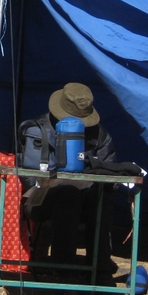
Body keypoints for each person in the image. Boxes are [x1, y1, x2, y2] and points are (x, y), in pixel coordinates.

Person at [21, 82, 118, 284]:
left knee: (101, 198)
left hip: (88, 201)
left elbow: (112, 179)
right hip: (43, 199)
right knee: (68, 194)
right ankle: (64, 272)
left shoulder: (99, 135)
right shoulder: (37, 130)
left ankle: (100, 271)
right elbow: (29, 178)